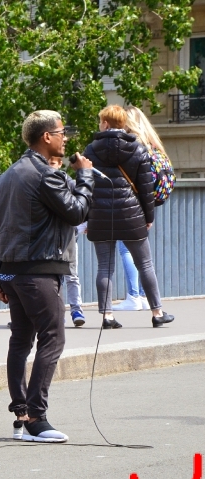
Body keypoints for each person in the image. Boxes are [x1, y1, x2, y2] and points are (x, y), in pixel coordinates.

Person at [0, 110, 95, 443]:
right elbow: (78, 210)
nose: (66, 138)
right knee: (53, 337)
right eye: (62, 132)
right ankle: (36, 416)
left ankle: (21, 415)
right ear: (46, 137)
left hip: (14, 271)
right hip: (38, 271)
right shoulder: (45, 175)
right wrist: (86, 177)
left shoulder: (8, 175)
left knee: (21, 341)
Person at [82, 105, 174, 329]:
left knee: (104, 267)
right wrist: (148, 217)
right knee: (145, 264)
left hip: (101, 215)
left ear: (105, 123)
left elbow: (84, 186)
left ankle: (107, 317)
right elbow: (145, 189)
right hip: (132, 215)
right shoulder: (138, 150)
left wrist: (85, 217)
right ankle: (157, 312)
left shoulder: (90, 151)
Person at [113, 105, 173, 312]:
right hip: (149, 203)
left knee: (125, 248)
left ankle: (134, 295)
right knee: (142, 253)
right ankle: (145, 297)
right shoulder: (152, 143)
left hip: (131, 203)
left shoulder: (131, 145)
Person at [48, 156, 86, 327]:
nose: (51, 167)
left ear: (59, 164)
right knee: (54, 278)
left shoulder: (67, 181)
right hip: (50, 240)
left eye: (54, 163)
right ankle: (59, 312)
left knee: (72, 275)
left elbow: (82, 203)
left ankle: (76, 309)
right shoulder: (43, 183)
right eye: (49, 163)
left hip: (69, 238)